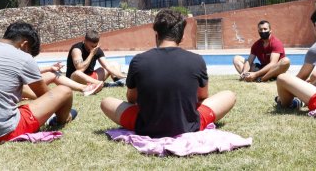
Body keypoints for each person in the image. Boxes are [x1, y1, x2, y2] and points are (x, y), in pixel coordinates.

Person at [101, 9, 236, 138]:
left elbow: (131, 99)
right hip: (188, 125)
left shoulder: (138, 61)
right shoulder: (196, 60)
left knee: (106, 102)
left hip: (145, 125)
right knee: (229, 95)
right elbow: (202, 96)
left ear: (157, 35)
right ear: (182, 37)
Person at [0, 22, 76, 144]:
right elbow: (44, 95)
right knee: (64, 91)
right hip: (1, 132)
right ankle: (64, 119)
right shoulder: (23, 57)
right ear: (24, 45)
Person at [22, 62, 104, 99]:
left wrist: (49, 68)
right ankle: (85, 88)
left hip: (22, 84)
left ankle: (85, 88)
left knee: (53, 73)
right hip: (20, 87)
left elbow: (27, 72)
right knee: (48, 97)